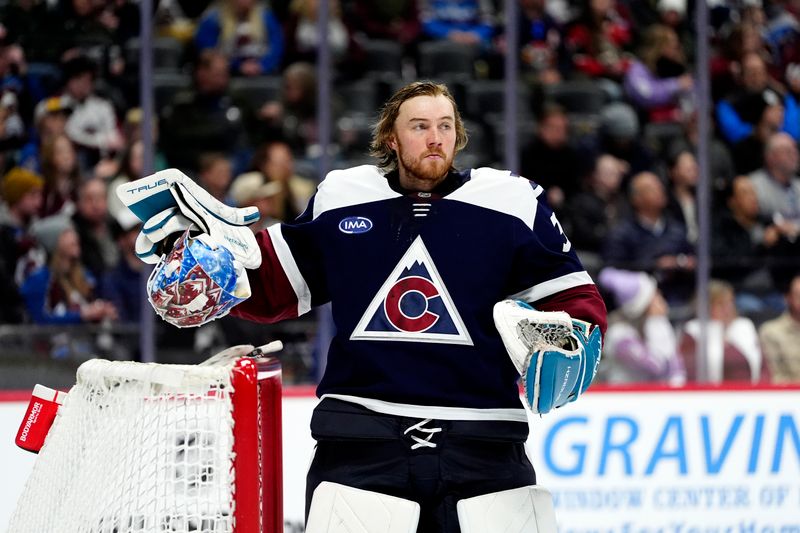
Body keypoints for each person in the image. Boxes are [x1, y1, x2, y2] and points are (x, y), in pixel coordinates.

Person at [123, 81, 607, 532]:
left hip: (482, 444)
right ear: (392, 139)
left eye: (445, 126)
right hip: (362, 440)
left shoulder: (512, 202)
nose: (434, 138)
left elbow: (576, 302)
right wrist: (211, 269)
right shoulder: (343, 197)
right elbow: (274, 283)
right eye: (419, 127)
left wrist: (575, 342)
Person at [597, 267, 685, 385]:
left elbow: (677, 372)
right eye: (657, 298)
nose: (663, 302)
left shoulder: (648, 328)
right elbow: (657, 367)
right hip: (621, 398)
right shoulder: (619, 334)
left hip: (646, 398)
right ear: (643, 306)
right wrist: (657, 323)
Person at [679, 279, 769, 383]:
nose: (728, 308)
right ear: (706, 307)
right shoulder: (694, 332)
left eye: (730, 302)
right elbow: (689, 373)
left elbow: (764, 367)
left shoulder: (744, 326)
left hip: (751, 395)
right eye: (721, 304)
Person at [760, 274, 800, 382]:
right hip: (788, 396)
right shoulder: (771, 332)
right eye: (799, 296)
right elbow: (774, 377)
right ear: (788, 298)